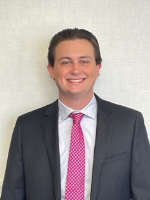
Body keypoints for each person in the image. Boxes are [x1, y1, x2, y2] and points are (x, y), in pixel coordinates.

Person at [1, 28, 150, 200]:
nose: (75, 69)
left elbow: (144, 193)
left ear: (98, 68)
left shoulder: (130, 123)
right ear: (51, 70)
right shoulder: (26, 127)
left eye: (84, 61)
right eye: (66, 62)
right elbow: (12, 195)